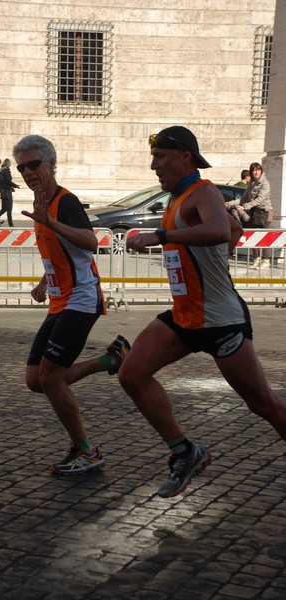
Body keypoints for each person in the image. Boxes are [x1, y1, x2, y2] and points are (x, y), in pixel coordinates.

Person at [119, 126, 286, 499]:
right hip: (184, 316)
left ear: (185, 157)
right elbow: (231, 231)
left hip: (221, 320)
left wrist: (162, 237)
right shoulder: (178, 199)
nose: (153, 166)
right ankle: (186, 452)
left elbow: (215, 227)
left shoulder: (203, 191)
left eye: (160, 157)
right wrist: (214, 258)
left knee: (263, 404)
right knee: (132, 374)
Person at [13, 134, 130, 475]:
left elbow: (91, 242)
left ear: (51, 163)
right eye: (22, 167)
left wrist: (50, 222)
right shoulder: (41, 204)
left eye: (34, 164)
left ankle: (87, 450)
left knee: (51, 379)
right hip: (59, 301)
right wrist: (43, 282)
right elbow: (58, 254)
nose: (27, 171)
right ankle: (112, 358)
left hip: (81, 299)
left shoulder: (65, 201)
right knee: (36, 380)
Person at [240, 162, 272, 269]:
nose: (256, 172)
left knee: (264, 236)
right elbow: (244, 197)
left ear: (261, 171)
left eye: (258, 170)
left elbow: (260, 199)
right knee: (253, 236)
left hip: (265, 212)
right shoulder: (251, 183)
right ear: (251, 172)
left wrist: (246, 206)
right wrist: (238, 204)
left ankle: (266, 260)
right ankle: (256, 259)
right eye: (254, 170)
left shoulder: (265, 183)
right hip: (254, 213)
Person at [0, 158, 20, 227]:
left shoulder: (1, 171)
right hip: (7, 192)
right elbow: (8, 181)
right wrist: (15, 185)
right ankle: (11, 224)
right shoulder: (6, 171)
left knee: (4, 209)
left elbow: (3, 182)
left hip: (3, 192)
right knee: (9, 209)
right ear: (8, 164)